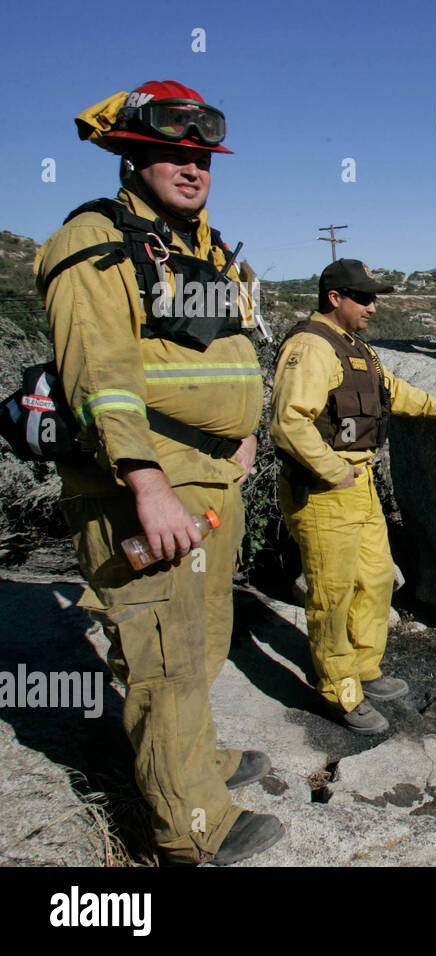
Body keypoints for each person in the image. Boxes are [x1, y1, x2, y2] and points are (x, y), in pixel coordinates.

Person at [33, 81, 283, 865]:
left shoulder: (198, 247)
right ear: (132, 155)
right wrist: (146, 484)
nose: (190, 167)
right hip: (147, 486)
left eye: (201, 155)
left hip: (210, 479)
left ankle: (194, 763)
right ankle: (191, 830)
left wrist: (241, 441)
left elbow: (222, 355)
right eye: (170, 153)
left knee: (201, 640)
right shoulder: (92, 241)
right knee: (165, 660)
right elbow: (97, 376)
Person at [270, 259, 436, 734]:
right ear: (334, 298)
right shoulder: (310, 345)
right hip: (326, 491)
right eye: (364, 298)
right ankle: (338, 692)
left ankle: (365, 668)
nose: (373, 306)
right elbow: (288, 423)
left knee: (377, 579)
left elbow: (391, 392)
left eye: (374, 297)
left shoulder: (355, 348)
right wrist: (332, 470)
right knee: (332, 595)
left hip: (359, 486)